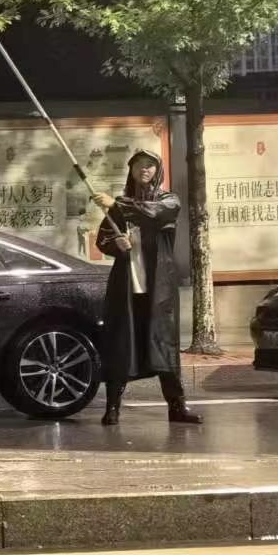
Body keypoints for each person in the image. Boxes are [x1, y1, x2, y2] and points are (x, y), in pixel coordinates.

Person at [91, 151, 202, 427]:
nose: (145, 169)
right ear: (131, 169)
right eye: (139, 165)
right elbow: (103, 239)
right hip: (127, 286)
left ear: (158, 170)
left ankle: (177, 407)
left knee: (164, 346)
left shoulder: (168, 200)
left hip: (159, 289)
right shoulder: (120, 206)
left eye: (150, 165)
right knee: (122, 345)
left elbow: (153, 214)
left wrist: (117, 203)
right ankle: (112, 408)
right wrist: (115, 244)